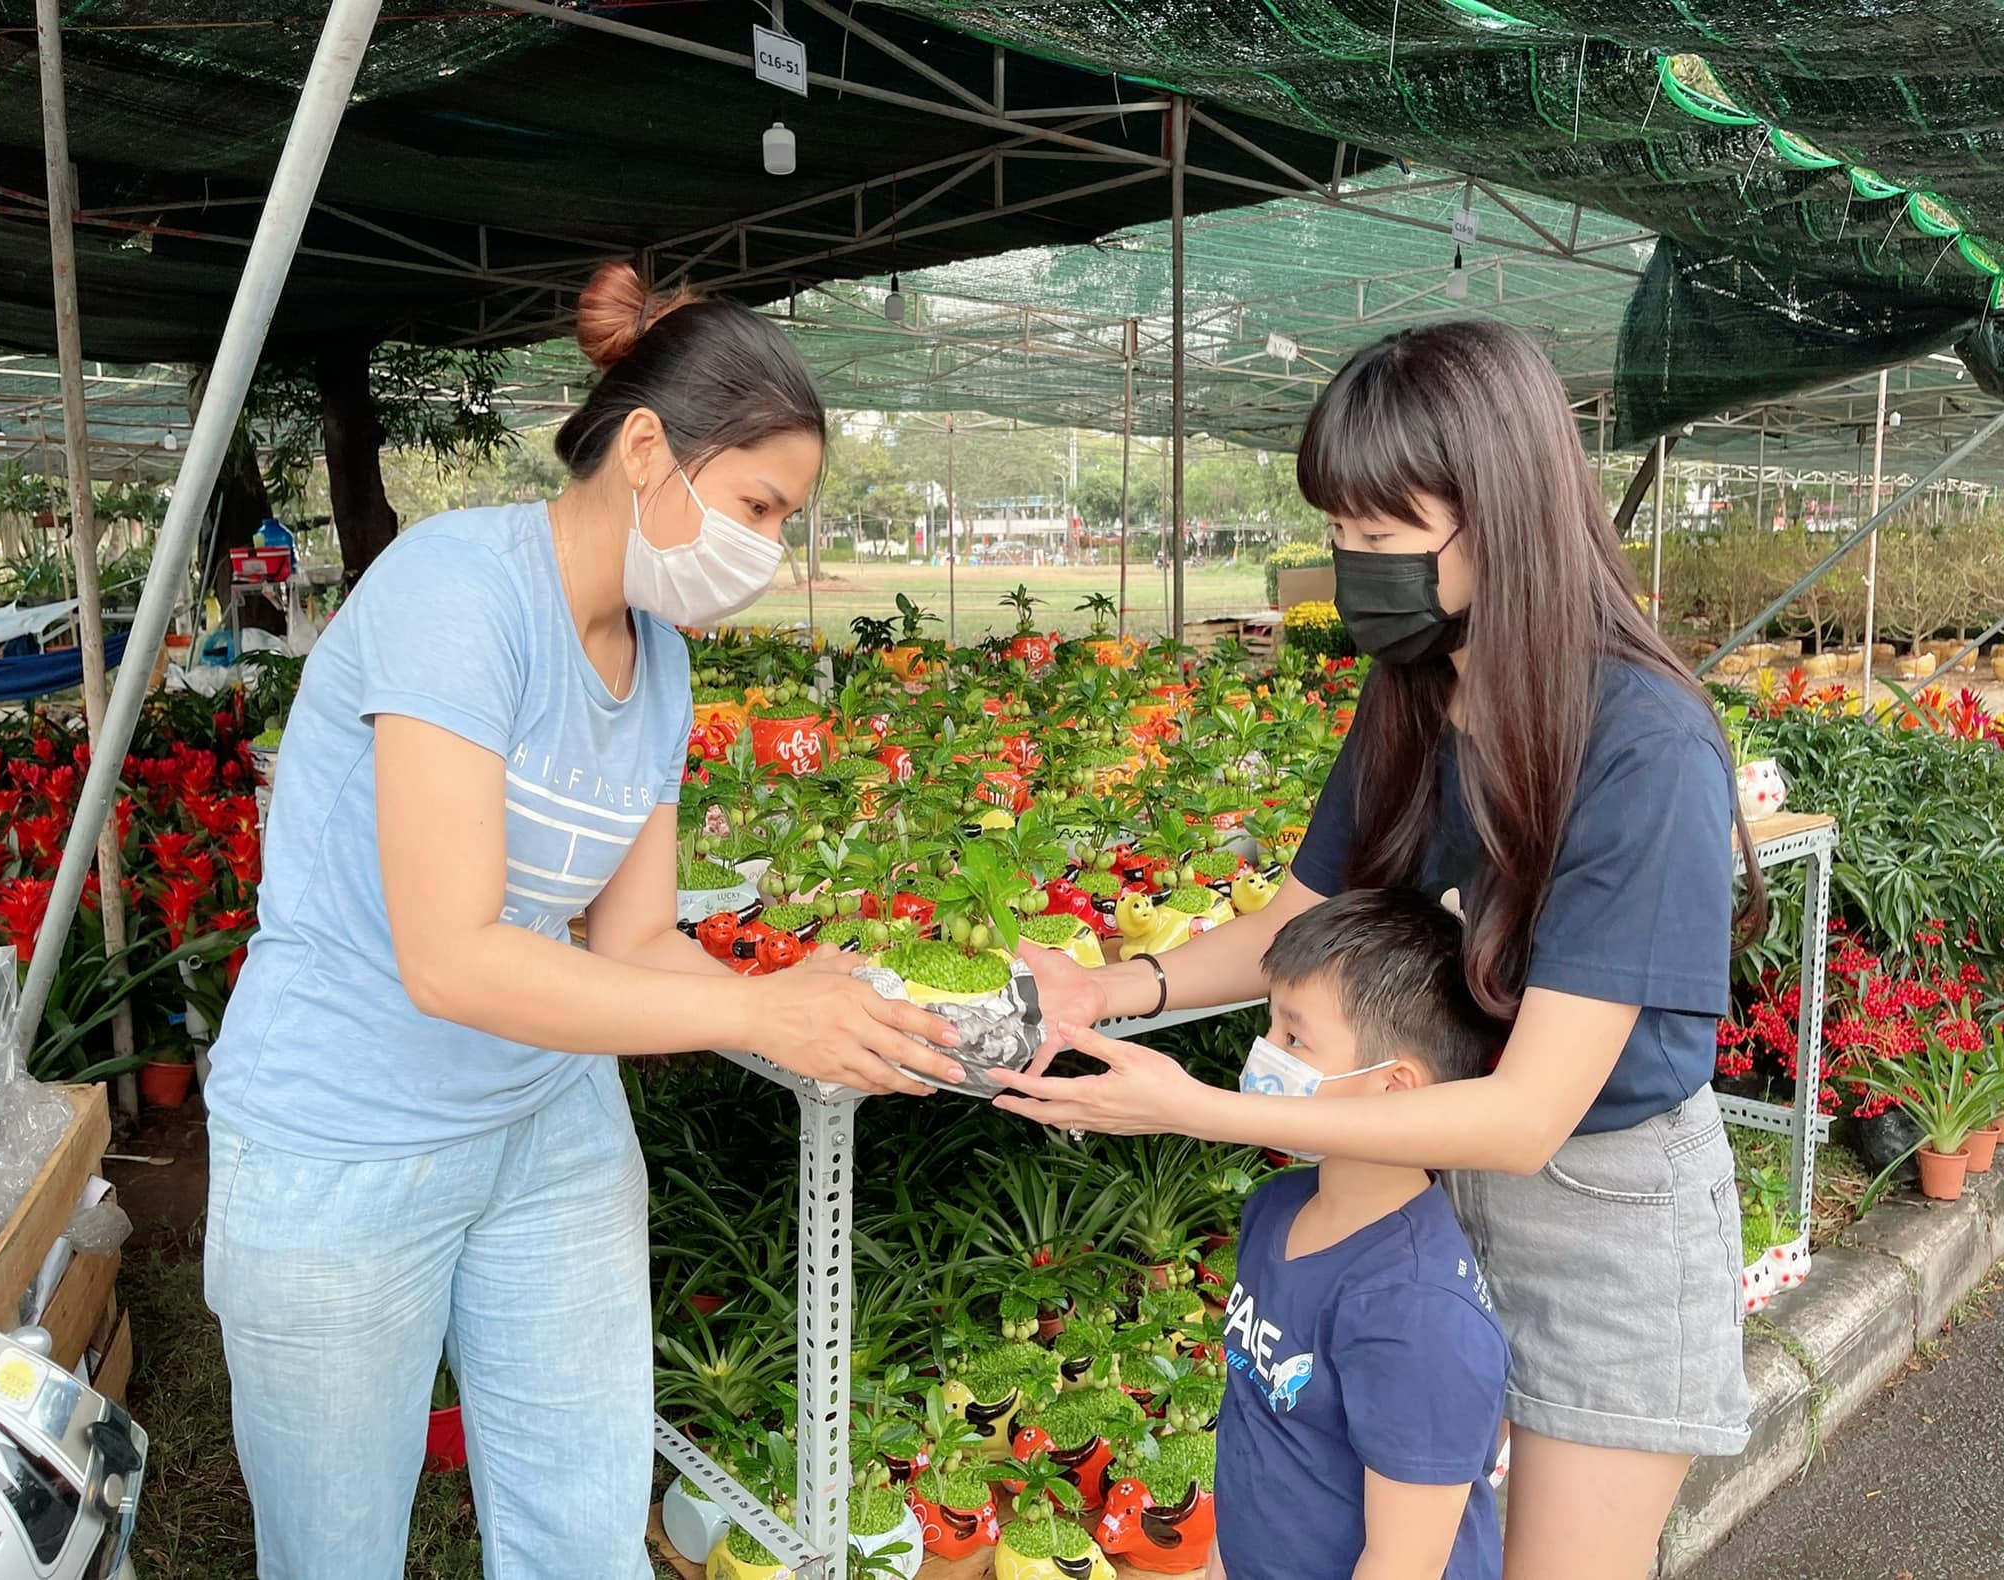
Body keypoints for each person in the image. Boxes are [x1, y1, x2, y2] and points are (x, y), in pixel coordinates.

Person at [202, 263, 964, 1580]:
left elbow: (633, 942)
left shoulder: (658, 658)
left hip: (548, 1124)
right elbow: (452, 958)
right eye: (758, 507)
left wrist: (819, 1006)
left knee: (582, 1513)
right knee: (334, 1545)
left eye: (786, 520)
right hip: (346, 1137)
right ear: (648, 449)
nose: (768, 552)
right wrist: (753, 1007)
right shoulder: (460, 595)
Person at [993, 318, 1765, 1580]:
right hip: (1429, 1161)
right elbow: (1305, 917)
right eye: (1339, 534)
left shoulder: (1641, 744)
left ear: (1500, 513)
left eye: (1381, 534)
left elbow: (1526, 1115)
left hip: (1598, 1199)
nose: (1352, 568)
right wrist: (1115, 985)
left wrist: (1195, 1107)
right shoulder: (1419, 683)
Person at [1206, 889, 1509, 1580]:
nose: (1263, 1055)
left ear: (1395, 1087)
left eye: (1293, 1037)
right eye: (1269, 1027)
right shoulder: (1277, 1209)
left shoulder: (1418, 1311)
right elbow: (1250, 1430)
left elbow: (1402, 1562)